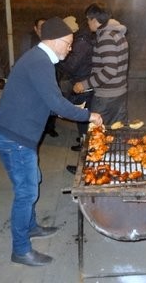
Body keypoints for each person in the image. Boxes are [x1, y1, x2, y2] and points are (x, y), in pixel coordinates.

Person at [0, 17, 103, 266]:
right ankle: (20, 250)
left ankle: (30, 227)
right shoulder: (39, 62)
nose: (71, 48)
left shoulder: (38, 59)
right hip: (16, 138)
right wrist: (88, 115)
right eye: (68, 43)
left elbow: (46, 100)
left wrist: (70, 106)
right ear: (53, 41)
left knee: (29, 183)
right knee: (26, 192)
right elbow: (54, 102)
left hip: (9, 133)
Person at [73, 3, 129, 125]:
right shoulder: (117, 34)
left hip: (106, 97)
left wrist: (84, 84)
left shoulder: (106, 38)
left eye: (88, 19)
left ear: (94, 20)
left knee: (98, 134)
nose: (87, 23)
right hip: (119, 93)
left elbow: (110, 70)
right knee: (117, 132)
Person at [57, 16, 96, 175]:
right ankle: (83, 145)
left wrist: (57, 60)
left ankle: (86, 164)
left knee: (83, 118)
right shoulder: (83, 38)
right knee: (82, 119)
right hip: (82, 82)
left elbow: (72, 66)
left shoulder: (81, 42)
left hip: (82, 84)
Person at [19, 17, 59, 138]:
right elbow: (24, 57)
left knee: (51, 100)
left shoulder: (51, 38)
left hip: (51, 73)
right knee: (37, 104)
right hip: (34, 77)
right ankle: (37, 128)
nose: (43, 29)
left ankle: (50, 127)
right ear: (35, 28)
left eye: (45, 26)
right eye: (41, 27)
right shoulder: (29, 39)